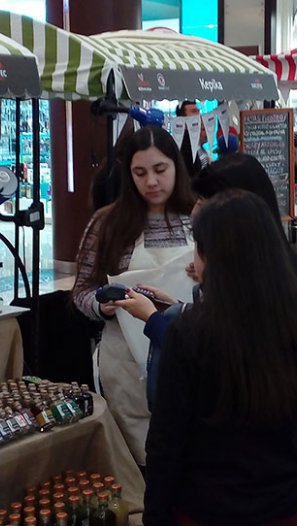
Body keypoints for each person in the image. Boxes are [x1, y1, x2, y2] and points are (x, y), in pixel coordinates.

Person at [141, 190, 297, 526]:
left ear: (210, 256)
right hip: (285, 510)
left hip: (210, 518)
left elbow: (167, 440)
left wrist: (158, 525)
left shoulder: (191, 332)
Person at [113, 153, 292, 409]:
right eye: (139, 173)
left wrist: (153, 319)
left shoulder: (254, 298)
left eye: (204, 201)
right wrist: (178, 308)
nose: (151, 182)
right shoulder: (270, 275)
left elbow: (209, 360)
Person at [72, 125, 196, 465]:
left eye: (160, 170)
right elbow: (81, 291)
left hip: (189, 359)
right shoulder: (107, 223)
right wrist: (101, 304)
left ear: (176, 167)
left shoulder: (199, 217)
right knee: (139, 465)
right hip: (125, 363)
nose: (152, 182)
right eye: (140, 173)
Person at [176, 100, 210, 177]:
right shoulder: (183, 145)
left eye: (198, 111)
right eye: (193, 111)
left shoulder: (197, 143)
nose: (198, 115)